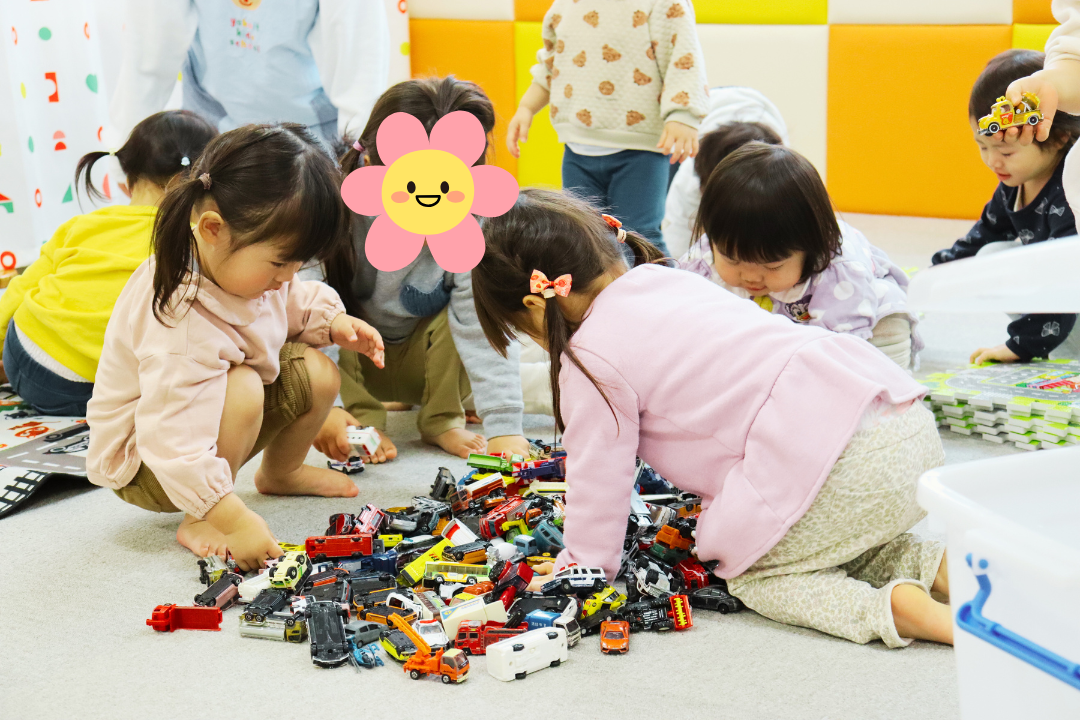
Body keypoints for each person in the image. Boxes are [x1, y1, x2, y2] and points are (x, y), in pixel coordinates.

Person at [473, 188, 952, 648]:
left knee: (757, 572)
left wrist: (581, 569)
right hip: (899, 424)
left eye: (522, 329)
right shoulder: (670, 278)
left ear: (535, 304)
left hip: (837, 463)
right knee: (823, 539)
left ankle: (914, 614)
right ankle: (947, 570)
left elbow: (598, 478)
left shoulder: (589, 359)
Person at [86, 124, 386, 568]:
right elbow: (172, 442)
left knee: (319, 371)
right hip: (150, 463)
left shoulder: (243, 267)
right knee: (243, 385)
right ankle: (200, 517)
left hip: (195, 427)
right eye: (280, 262)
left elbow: (289, 300)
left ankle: (281, 473)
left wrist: (333, 322)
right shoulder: (179, 321)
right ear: (213, 229)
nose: (289, 276)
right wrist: (233, 519)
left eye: (299, 262)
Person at [312, 77, 529, 464]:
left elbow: (481, 328)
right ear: (371, 162)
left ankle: (441, 420)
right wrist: (331, 408)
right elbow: (304, 306)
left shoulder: (473, 223)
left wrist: (506, 426)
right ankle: (362, 419)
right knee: (323, 312)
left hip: (429, 366)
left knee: (476, 312)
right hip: (355, 364)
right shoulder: (335, 209)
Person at [0, 111, 217, 416]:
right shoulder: (195, 244)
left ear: (128, 179)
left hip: (23, 352)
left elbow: (19, 291)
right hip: (88, 386)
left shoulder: (83, 224)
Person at [683, 143, 921, 369]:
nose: (751, 277)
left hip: (852, 330)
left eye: (772, 266)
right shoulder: (706, 255)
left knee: (887, 318)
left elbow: (842, 352)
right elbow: (681, 311)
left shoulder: (840, 272)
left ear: (810, 248)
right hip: (775, 337)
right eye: (732, 260)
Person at [506, 0, 709, 257]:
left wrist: (682, 114)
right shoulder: (565, 6)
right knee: (583, 236)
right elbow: (551, 64)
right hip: (578, 151)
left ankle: (664, 283)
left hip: (639, 150)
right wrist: (526, 108)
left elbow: (682, 57)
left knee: (637, 236)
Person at [931, 49, 1080, 365]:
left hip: (1072, 292)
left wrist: (1020, 346)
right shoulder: (1015, 184)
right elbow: (983, 235)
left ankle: (1055, 344)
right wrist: (936, 273)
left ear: (1058, 138)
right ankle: (1054, 342)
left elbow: (1066, 275)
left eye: (1006, 152)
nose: (992, 161)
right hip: (1059, 302)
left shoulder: (1070, 193)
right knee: (991, 257)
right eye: (982, 146)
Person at [108, 0, 390, 152]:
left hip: (310, 137)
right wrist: (125, 150)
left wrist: (359, 155)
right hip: (212, 130)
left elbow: (360, 56)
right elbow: (151, 49)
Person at [662, 87, 788, 258]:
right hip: (701, 114)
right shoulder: (688, 184)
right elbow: (676, 246)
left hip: (761, 114)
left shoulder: (781, 177)